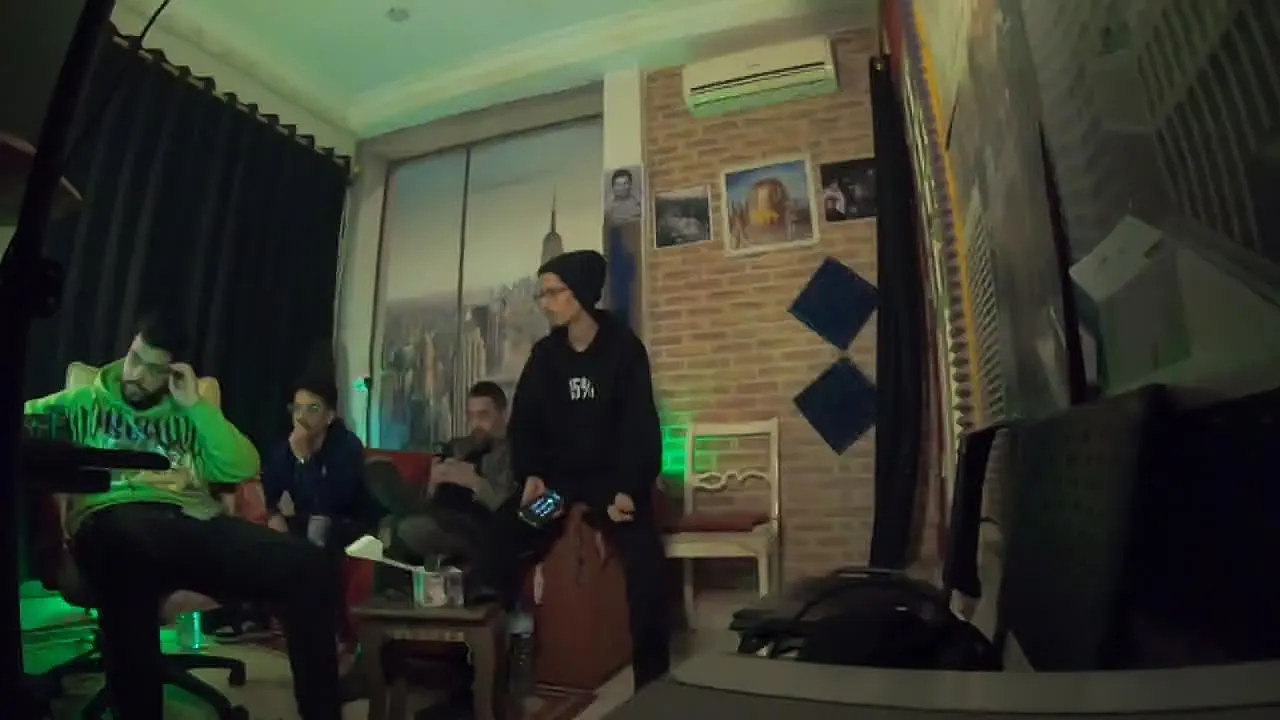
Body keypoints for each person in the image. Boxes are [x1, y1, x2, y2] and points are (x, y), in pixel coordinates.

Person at [22, 314, 343, 720]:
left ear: (174, 372)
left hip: (190, 521)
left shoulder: (188, 413)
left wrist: (196, 407)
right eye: (136, 359)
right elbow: (22, 425)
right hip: (112, 519)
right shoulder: (81, 404)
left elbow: (243, 465)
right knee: (126, 551)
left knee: (309, 566)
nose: (137, 375)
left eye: (154, 370)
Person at [484, 249, 670, 690]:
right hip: (560, 488)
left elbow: (640, 427)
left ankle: (654, 688)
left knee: (646, 565)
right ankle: (492, 663)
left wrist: (628, 488)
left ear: (581, 293)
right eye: (542, 294)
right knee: (507, 531)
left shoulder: (624, 349)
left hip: (613, 489)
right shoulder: (546, 356)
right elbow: (525, 423)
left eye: (553, 292)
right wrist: (532, 473)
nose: (545, 303)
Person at [386, 380, 515, 565]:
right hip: (439, 514)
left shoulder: (513, 453)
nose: (476, 424)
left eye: (483, 415)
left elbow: (511, 511)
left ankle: (439, 549)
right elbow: (429, 497)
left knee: (410, 528)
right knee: (392, 525)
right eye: (471, 416)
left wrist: (475, 482)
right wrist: (433, 482)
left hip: (473, 526)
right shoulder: (457, 446)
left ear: (504, 415)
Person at [262, 377, 371, 550]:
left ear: (329, 416)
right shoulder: (288, 446)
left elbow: (326, 507)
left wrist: (305, 461)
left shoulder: (347, 448)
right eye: (297, 408)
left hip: (344, 529)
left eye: (312, 409)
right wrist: (273, 515)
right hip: (305, 526)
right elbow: (268, 489)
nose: (301, 417)